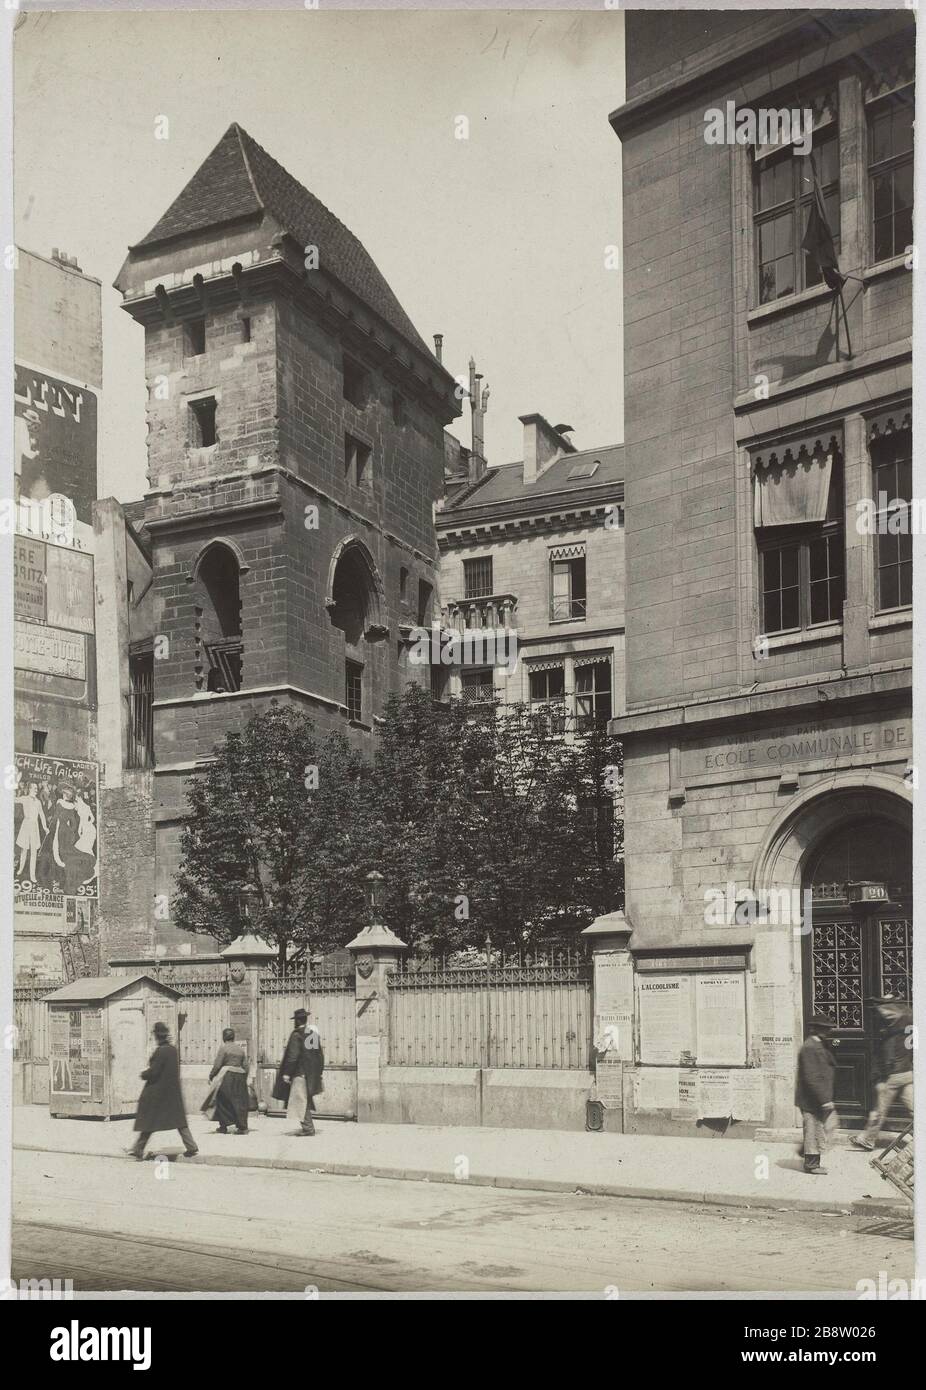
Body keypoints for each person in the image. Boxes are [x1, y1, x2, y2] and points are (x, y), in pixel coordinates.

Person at [851, 995, 914, 1151]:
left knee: (879, 1110)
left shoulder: (893, 1028)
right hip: (906, 1072)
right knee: (915, 1108)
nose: (882, 1013)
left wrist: (879, 1079)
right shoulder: (906, 1021)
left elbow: (886, 1055)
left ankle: (868, 1139)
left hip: (893, 1075)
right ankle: (867, 1139)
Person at [129, 1021, 198, 1160]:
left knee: (149, 1121)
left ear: (157, 1036)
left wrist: (143, 1074)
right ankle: (191, 1146)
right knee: (179, 1121)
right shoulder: (173, 1050)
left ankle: (138, 1149)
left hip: (157, 1093)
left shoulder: (160, 1052)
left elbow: (154, 1072)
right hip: (172, 1092)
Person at [795, 1013, 838, 1175]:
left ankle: (804, 1151)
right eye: (823, 1029)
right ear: (815, 1029)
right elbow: (811, 1077)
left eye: (827, 1028)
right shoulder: (809, 1047)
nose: (827, 1031)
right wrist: (825, 1100)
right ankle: (812, 1165)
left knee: (818, 1130)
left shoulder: (821, 1044)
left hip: (818, 1097)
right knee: (813, 1130)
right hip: (811, 1098)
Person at [273, 1008, 324, 1137]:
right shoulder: (312, 1034)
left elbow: (293, 1056)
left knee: (301, 1101)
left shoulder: (297, 1035)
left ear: (296, 1021)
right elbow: (319, 1055)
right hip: (311, 1074)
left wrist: (287, 1073)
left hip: (300, 1073)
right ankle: (308, 1127)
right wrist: (319, 1072)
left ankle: (308, 1128)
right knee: (304, 1100)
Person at [202, 1027, 250, 1134]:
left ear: (224, 1037)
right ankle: (242, 1127)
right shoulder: (240, 1050)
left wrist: (211, 1075)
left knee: (222, 1100)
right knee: (239, 1102)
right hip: (240, 1077)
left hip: (227, 1077)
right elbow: (246, 1066)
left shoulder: (224, 1049)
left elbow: (218, 1064)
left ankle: (223, 1127)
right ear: (233, 1037)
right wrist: (243, 1078)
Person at [15, 780, 47, 883]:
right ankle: (20, 869)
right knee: (24, 849)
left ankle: (32, 875)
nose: (36, 790)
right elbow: (14, 799)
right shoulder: (24, 799)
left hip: (34, 827)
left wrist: (45, 827)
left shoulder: (38, 802)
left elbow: (42, 815)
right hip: (26, 825)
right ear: (29, 789)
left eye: (37, 788)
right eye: (34, 788)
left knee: (34, 851)